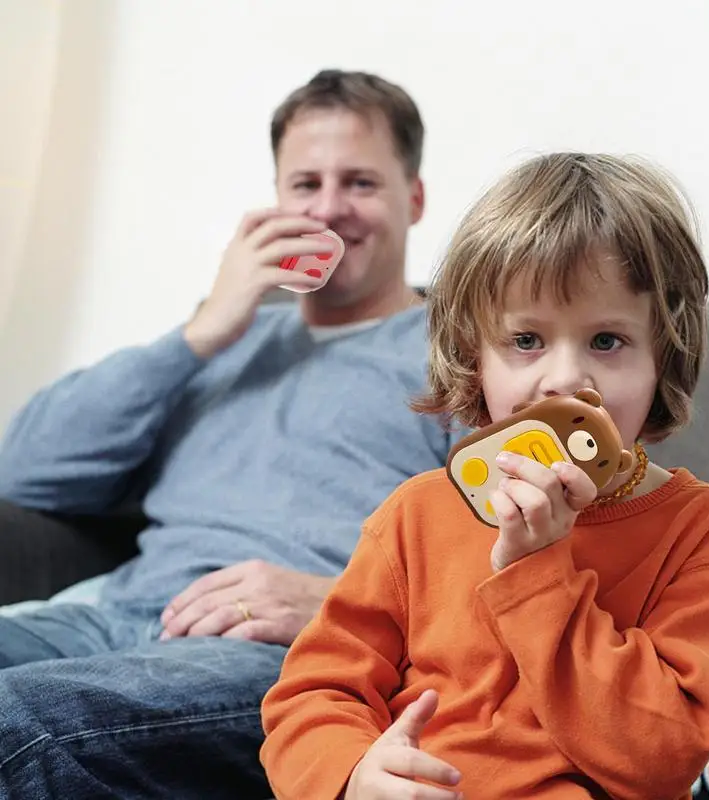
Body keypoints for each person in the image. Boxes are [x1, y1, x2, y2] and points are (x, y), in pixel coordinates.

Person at [0, 69, 458, 799]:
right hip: (113, 615)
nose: (331, 208)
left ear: (415, 198)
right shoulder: (225, 338)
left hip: (271, 648)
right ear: (278, 200)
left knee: (15, 719)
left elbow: (510, 566)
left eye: (361, 184)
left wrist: (344, 599)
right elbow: (22, 470)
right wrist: (204, 330)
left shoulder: (462, 356)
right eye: (306, 184)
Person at [261, 153, 709, 799]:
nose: (563, 379)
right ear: (474, 356)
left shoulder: (705, 530)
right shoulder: (417, 514)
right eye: (526, 340)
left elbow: (661, 753)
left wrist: (539, 569)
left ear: (663, 357)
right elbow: (317, 688)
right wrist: (353, 772)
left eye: (607, 341)